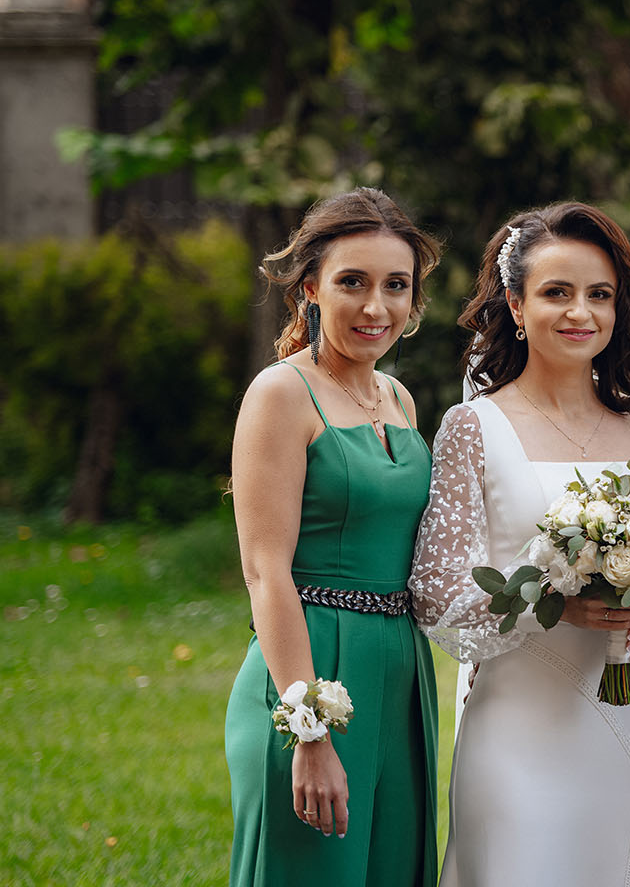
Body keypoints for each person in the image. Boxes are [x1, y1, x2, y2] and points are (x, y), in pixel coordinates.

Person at [409, 202, 630, 886]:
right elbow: (437, 595)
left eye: (599, 295)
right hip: (516, 729)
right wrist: (553, 604)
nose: (580, 312)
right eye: (557, 292)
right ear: (516, 305)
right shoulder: (473, 427)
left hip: (624, 719)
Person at [225, 188, 442, 885]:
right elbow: (265, 571)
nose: (376, 306)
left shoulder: (399, 399)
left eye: (396, 285)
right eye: (353, 282)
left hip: (400, 673)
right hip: (313, 666)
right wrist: (308, 727)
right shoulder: (281, 394)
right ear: (311, 288)